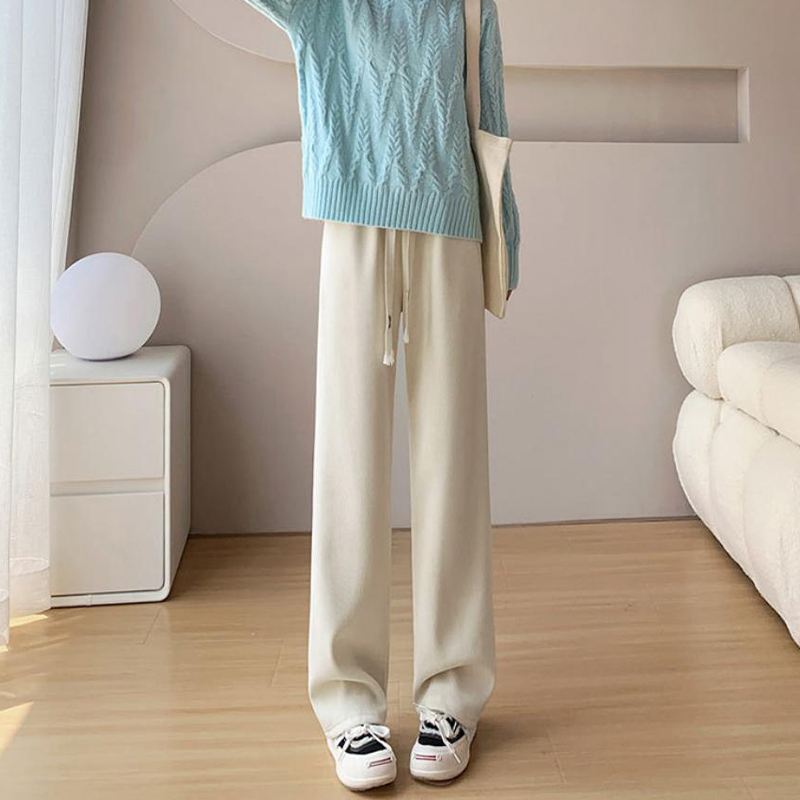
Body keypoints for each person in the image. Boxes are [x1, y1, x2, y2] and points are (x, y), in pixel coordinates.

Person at [242, 0, 521, 790]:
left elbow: (490, 112)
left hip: (451, 225)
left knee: (453, 464)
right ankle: (348, 702)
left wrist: (506, 231)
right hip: (353, 226)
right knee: (348, 462)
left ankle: (453, 694)